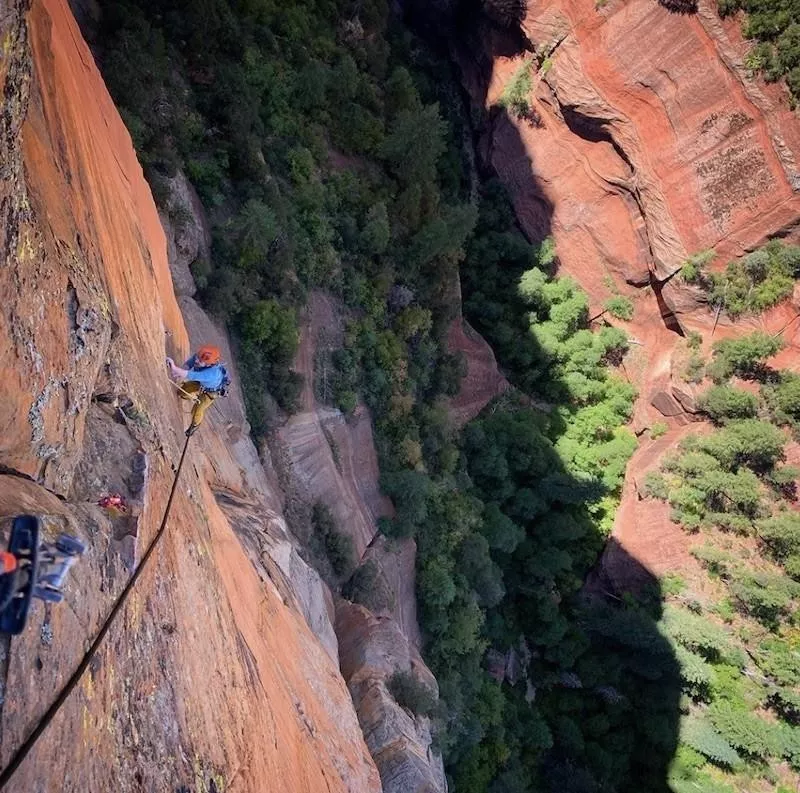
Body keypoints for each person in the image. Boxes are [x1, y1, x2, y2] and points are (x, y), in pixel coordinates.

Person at [166, 344, 229, 435]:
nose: (197, 360)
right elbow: (190, 363)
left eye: (200, 361)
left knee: (197, 410)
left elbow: (192, 375)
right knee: (181, 392)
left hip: (211, 392)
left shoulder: (212, 373)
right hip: (201, 383)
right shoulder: (201, 356)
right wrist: (179, 372)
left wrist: (175, 368)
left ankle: (195, 425)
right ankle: (190, 395)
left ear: (209, 364)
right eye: (198, 357)